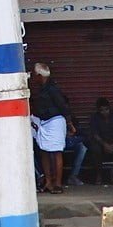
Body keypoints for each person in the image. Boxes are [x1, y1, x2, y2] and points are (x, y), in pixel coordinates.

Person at [30, 62, 76, 194]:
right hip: (43, 122)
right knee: (44, 150)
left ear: (39, 75)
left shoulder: (53, 89)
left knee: (56, 152)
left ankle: (58, 184)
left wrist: (69, 124)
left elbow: (62, 106)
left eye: (35, 74)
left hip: (55, 121)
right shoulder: (40, 88)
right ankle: (48, 182)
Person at [86, 98, 113, 186]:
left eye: (106, 109)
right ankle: (99, 174)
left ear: (109, 108)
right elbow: (95, 134)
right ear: (98, 110)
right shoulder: (95, 118)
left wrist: (112, 145)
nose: (105, 112)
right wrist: (105, 145)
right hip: (101, 143)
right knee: (94, 149)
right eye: (102, 110)